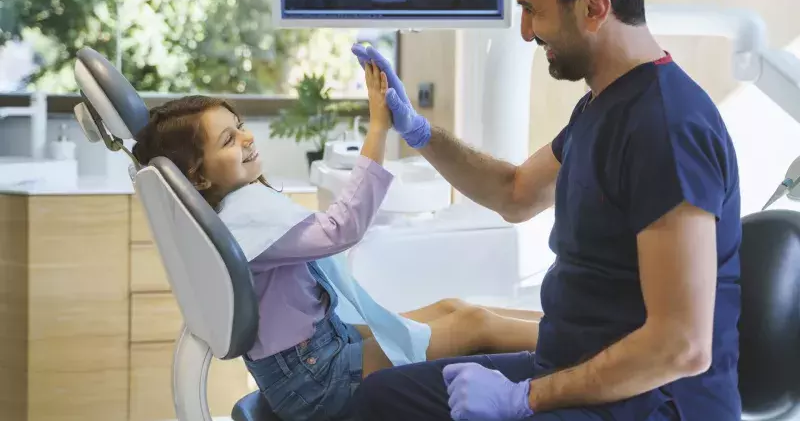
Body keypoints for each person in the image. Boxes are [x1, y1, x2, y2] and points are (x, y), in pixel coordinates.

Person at [351, 0, 742, 421]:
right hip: (573, 368)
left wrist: (523, 399)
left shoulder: (667, 127)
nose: (527, 32)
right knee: (380, 400)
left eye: (534, 10)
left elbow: (681, 346)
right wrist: (419, 132)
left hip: (651, 403)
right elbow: (514, 193)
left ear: (594, 8)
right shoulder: (602, 105)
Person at [130, 61, 545, 421]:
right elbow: (343, 227)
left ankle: (564, 326)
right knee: (472, 325)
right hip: (315, 378)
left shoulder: (236, 209)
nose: (246, 138)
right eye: (228, 140)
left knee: (455, 309)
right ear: (199, 177)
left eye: (238, 128)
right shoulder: (245, 214)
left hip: (312, 359)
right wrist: (379, 125)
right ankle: (578, 342)